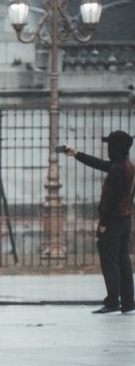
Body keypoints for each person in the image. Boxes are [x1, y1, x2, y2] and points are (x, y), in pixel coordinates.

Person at [64, 131, 135, 314]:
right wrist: (77, 154)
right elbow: (100, 164)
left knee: (110, 262)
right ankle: (128, 301)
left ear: (116, 147)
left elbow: (112, 199)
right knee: (123, 261)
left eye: (110, 145)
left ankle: (112, 302)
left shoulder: (118, 169)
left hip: (114, 220)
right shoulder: (125, 165)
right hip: (124, 219)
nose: (108, 148)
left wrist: (103, 223)